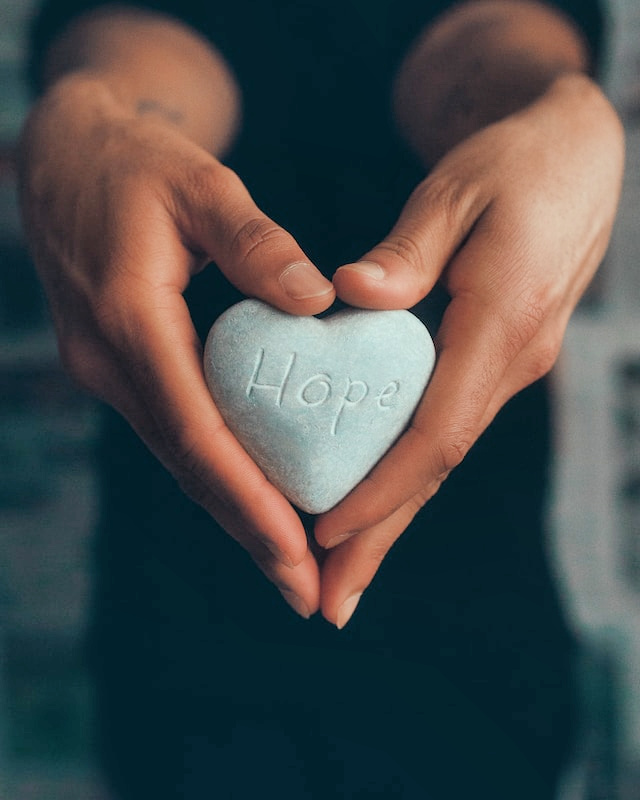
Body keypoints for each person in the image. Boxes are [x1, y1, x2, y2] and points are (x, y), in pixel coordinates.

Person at [18, 0, 623, 797]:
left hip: (476, 647)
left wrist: (554, 109)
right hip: (181, 651)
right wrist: (95, 111)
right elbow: (146, 45)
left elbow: (490, 47)